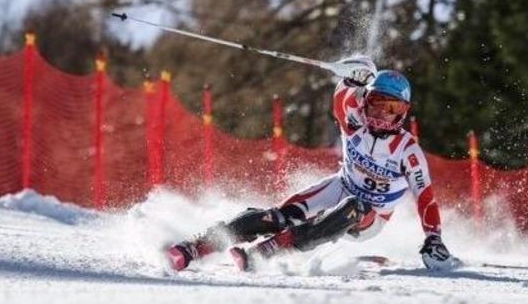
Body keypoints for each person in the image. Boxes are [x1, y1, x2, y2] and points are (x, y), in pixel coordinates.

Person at [166, 57, 456, 272]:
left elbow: (425, 197)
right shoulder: (354, 122)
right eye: (377, 104)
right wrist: (353, 77)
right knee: (276, 217)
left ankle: (271, 250)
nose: (382, 115)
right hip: (339, 186)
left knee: (356, 205)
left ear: (404, 113)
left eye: (392, 109)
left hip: (370, 216)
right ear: (364, 103)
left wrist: (433, 237)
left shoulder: (408, 151)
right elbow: (342, 97)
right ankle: (197, 247)